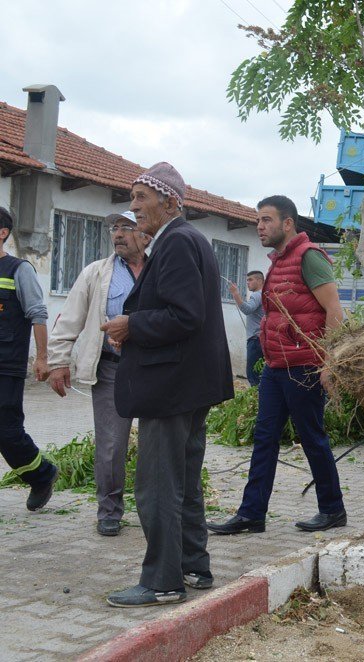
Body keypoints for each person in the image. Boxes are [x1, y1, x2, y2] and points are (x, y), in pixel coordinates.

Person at [100, 162, 234, 608]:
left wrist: (129, 324)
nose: (133, 207)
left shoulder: (175, 242)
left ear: (170, 201)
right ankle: (194, 567)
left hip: (172, 386)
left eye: (141, 197)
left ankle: (162, 581)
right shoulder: (187, 240)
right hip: (191, 384)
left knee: (157, 484)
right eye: (132, 197)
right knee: (184, 480)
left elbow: (184, 315)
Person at [207, 195, 347, 536]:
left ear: (287, 223)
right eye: (258, 220)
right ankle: (252, 513)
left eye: (266, 220)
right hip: (275, 367)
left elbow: (334, 312)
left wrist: (329, 363)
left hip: (303, 367)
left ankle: (332, 510)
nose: (259, 226)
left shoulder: (309, 257)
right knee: (264, 439)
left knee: (312, 437)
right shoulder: (277, 262)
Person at [47, 211, 149, 537]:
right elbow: (70, 319)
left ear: (145, 234)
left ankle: (156, 509)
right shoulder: (96, 273)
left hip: (155, 372)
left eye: (126, 228)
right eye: (114, 228)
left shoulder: (161, 270)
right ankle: (109, 510)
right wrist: (58, 361)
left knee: (158, 444)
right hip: (111, 369)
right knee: (110, 445)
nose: (118, 234)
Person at [0, 206, 58, 511]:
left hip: (6, 365)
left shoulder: (18, 270)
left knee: (7, 432)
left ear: (3, 233)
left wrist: (42, 358)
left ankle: (42, 474)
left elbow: (37, 314)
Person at [228, 271, 264, 386]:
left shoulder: (257, 295)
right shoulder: (265, 294)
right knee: (261, 375)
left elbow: (247, 309)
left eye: (250, 280)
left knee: (253, 376)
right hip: (262, 340)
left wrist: (235, 294)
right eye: (247, 280)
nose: (247, 283)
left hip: (255, 340)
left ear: (259, 281)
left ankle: (256, 402)